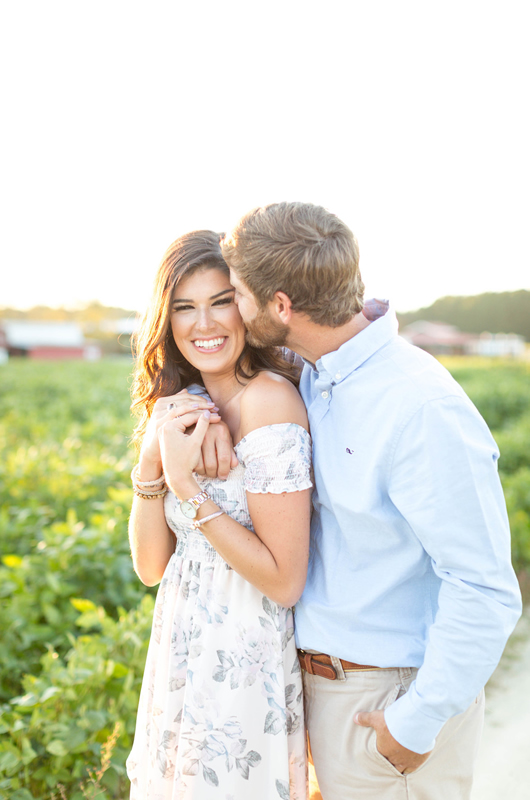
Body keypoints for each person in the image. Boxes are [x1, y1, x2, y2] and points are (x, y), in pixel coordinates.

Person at [219, 201, 523, 800]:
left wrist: (416, 722)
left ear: (280, 305)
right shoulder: (313, 372)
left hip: (388, 701)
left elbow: (485, 585)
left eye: (237, 294)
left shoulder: (419, 406)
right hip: (324, 689)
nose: (234, 308)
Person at [126, 230, 312, 800]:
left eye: (220, 302)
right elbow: (152, 566)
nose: (203, 324)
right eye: (184, 307)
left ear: (246, 306)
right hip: (182, 646)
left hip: (243, 656)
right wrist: (153, 457)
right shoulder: (185, 407)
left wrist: (188, 487)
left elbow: (284, 580)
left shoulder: (269, 402)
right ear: (167, 319)